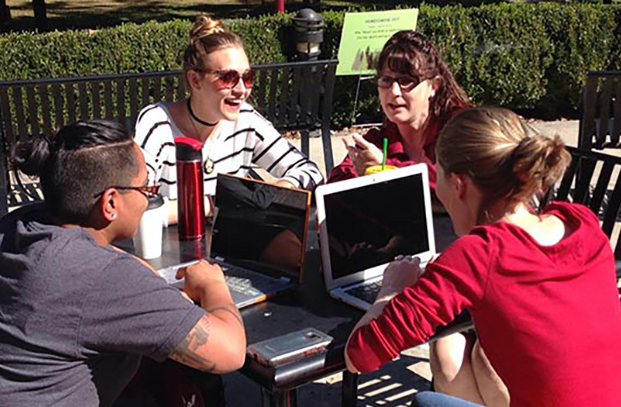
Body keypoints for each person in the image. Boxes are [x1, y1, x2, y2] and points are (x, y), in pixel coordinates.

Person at [344, 107, 621, 407]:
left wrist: (392, 289)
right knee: (457, 353)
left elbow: (359, 356)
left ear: (458, 184)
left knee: (427, 402)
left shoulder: (477, 256)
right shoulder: (582, 222)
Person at [0, 120, 246, 406]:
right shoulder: (99, 276)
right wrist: (212, 283)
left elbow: (105, 276)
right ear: (111, 203)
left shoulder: (14, 226)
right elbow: (230, 352)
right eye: (147, 189)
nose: (148, 200)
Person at [135, 15, 323, 223]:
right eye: (228, 78)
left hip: (230, 249)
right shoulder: (158, 123)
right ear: (195, 80)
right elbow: (137, 205)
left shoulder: (246, 120)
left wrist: (276, 191)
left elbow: (310, 172)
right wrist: (215, 203)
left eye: (248, 77)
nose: (241, 90)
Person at [327, 30, 471, 190]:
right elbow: (335, 186)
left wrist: (387, 171)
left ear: (434, 86)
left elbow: (457, 184)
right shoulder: (380, 141)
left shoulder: (460, 129)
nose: (394, 91)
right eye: (386, 80)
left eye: (406, 81)